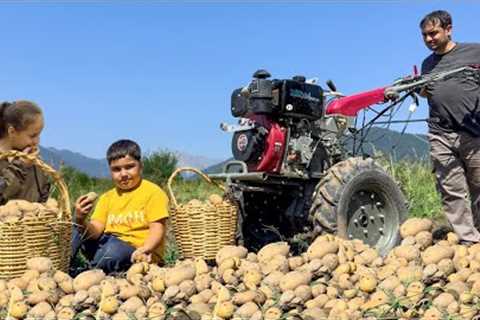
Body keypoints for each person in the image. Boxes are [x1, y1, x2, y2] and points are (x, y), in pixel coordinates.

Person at [419, 10, 480, 244]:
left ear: (449, 29)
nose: (429, 39)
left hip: (473, 133)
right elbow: (430, 93)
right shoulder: (427, 64)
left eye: (433, 33)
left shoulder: (474, 52)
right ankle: (468, 240)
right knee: (451, 189)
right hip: (440, 133)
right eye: (424, 35)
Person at [72, 139, 169, 274]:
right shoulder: (107, 197)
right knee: (74, 225)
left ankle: (90, 270)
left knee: (113, 251)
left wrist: (145, 249)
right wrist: (81, 219)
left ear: (140, 166)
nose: (123, 174)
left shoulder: (153, 192)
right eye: (116, 169)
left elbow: (157, 228)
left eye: (129, 167)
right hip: (106, 243)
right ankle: (61, 265)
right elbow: (95, 232)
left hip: (136, 250)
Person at [0, 100, 50, 205]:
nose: (37, 141)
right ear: (12, 131)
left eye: (38, 135)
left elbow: (43, 200)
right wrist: (20, 167)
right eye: (32, 136)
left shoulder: (35, 165)